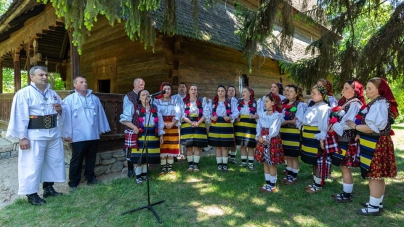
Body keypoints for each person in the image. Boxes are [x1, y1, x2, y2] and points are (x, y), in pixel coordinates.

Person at [6, 66, 66, 205]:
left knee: (53, 162)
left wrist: (61, 109)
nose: (44, 77)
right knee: (32, 165)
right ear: (32, 77)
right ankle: (31, 194)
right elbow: (20, 116)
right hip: (35, 135)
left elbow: (64, 110)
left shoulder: (53, 94)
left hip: (53, 134)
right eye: (41, 75)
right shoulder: (24, 93)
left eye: (45, 74)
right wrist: (22, 137)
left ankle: (48, 188)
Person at [346, 77, 399, 216]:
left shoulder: (380, 103)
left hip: (376, 142)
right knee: (377, 176)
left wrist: (355, 126)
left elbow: (373, 127)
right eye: (367, 88)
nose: (366, 91)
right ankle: (376, 202)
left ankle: (374, 207)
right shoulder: (376, 102)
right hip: (374, 141)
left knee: (374, 175)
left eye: (370, 88)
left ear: (379, 90)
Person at [62, 76, 111, 191]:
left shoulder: (94, 99)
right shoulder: (69, 100)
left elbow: (100, 115)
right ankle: (73, 182)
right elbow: (65, 118)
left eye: (86, 81)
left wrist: (101, 128)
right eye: (81, 82)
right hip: (78, 135)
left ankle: (91, 178)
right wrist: (66, 134)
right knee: (77, 159)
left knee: (91, 158)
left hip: (93, 134)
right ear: (75, 85)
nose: (85, 84)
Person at [329, 80, 364, 203]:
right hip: (342, 138)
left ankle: (347, 195)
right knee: (343, 167)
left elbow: (349, 123)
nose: (343, 90)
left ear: (354, 91)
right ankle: (345, 193)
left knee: (345, 167)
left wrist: (335, 125)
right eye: (343, 87)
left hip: (348, 140)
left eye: (346, 88)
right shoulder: (346, 103)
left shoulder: (355, 104)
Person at [120, 89, 165, 184]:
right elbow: (124, 119)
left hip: (152, 134)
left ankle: (144, 175)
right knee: (138, 157)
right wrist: (134, 127)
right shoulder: (134, 107)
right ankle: (138, 177)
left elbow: (160, 122)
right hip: (139, 134)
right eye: (143, 95)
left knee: (146, 156)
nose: (146, 96)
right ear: (139, 98)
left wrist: (160, 134)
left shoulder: (155, 108)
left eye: (148, 95)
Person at [301, 85, 331, 193]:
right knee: (313, 161)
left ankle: (318, 185)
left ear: (321, 95)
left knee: (318, 160)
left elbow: (323, 126)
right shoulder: (312, 106)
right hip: (309, 137)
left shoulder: (324, 108)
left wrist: (322, 139)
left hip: (316, 137)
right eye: (312, 93)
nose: (311, 95)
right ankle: (315, 182)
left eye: (314, 93)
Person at [256, 93, 284, 193]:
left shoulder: (276, 116)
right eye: (264, 101)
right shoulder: (263, 115)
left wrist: (265, 138)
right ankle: (267, 183)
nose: (265, 103)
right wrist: (259, 136)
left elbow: (274, 130)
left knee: (271, 162)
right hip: (262, 140)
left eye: (267, 101)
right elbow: (259, 126)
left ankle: (272, 185)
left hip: (271, 140)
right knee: (265, 161)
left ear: (273, 103)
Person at [208, 85, 239, 172]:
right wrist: (211, 117)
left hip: (226, 125)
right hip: (216, 125)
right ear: (217, 92)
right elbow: (207, 112)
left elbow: (236, 112)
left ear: (225, 92)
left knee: (224, 147)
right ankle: (219, 165)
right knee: (218, 146)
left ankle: (224, 165)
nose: (220, 93)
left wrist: (230, 117)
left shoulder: (230, 102)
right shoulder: (213, 103)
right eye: (219, 91)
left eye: (222, 91)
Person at [280, 85, 307, 185]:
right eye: (288, 91)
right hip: (285, 132)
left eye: (291, 91)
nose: (288, 93)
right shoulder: (284, 104)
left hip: (293, 133)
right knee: (288, 155)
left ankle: (294, 176)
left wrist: (286, 122)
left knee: (293, 155)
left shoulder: (299, 105)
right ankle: (289, 175)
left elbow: (297, 120)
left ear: (296, 94)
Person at [154, 82, 182, 175]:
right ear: (161, 90)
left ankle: (169, 167)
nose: (167, 91)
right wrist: (163, 124)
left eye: (169, 89)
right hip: (162, 126)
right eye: (165, 89)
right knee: (163, 146)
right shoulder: (157, 102)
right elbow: (157, 114)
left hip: (173, 126)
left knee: (171, 146)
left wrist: (173, 123)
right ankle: (163, 168)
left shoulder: (175, 101)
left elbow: (178, 113)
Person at [180, 84, 209, 172]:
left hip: (199, 124)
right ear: (188, 91)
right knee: (189, 146)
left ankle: (196, 165)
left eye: (195, 89)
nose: (193, 91)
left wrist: (198, 123)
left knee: (197, 146)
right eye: (192, 89)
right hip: (187, 124)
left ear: (197, 91)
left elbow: (205, 113)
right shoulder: (184, 102)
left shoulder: (201, 101)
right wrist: (191, 122)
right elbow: (182, 115)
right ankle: (190, 165)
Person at [123, 78, 145, 178]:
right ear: (134, 84)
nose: (142, 86)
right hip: (133, 127)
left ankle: (142, 170)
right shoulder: (128, 97)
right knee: (131, 150)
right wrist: (133, 126)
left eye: (143, 85)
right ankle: (130, 169)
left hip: (144, 127)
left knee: (142, 148)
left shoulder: (146, 95)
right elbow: (126, 113)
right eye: (140, 84)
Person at [234, 87, 258, 170]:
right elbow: (235, 112)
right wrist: (236, 118)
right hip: (240, 125)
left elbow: (259, 114)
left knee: (250, 145)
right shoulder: (238, 102)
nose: (243, 93)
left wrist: (254, 116)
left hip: (250, 125)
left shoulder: (255, 102)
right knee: (242, 145)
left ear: (250, 93)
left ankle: (250, 164)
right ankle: (243, 162)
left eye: (245, 92)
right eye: (242, 92)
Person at [227, 85, 238, 164]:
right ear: (227, 92)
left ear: (235, 92)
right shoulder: (224, 100)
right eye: (229, 90)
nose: (231, 92)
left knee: (234, 141)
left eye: (232, 90)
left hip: (236, 123)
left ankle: (233, 158)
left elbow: (239, 110)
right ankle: (227, 156)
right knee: (227, 140)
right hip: (226, 122)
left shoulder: (238, 101)